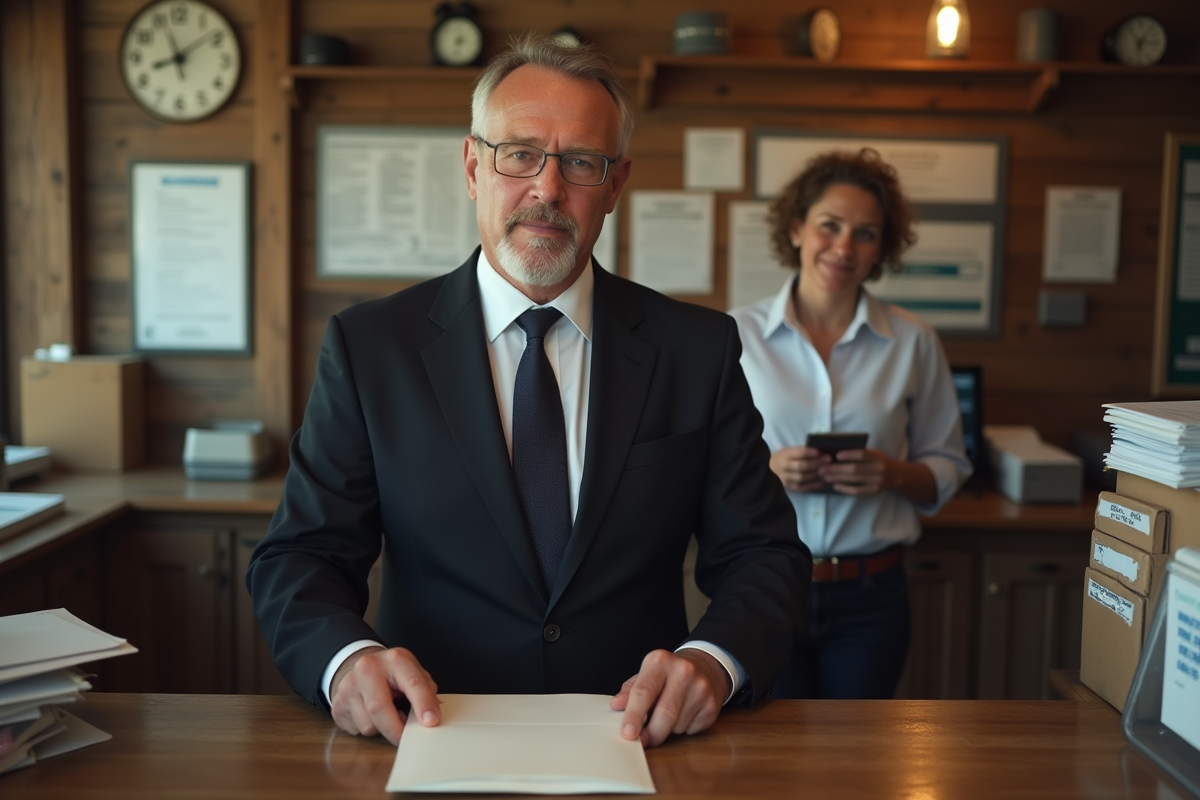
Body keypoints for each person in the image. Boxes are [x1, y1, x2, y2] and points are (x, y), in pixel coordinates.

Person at [246, 34, 809, 749]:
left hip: (637, 743)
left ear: (615, 183)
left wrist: (713, 663)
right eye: (519, 154)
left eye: (580, 161)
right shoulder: (369, 348)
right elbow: (302, 557)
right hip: (429, 735)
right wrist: (347, 660)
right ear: (473, 166)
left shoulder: (695, 348)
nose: (547, 188)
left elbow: (765, 556)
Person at [729, 148, 971, 699]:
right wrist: (766, 469)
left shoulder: (914, 342)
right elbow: (701, 466)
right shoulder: (733, 335)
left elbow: (949, 466)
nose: (843, 247)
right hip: (765, 585)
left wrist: (890, 473)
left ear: (882, 248)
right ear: (796, 228)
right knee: (774, 766)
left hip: (873, 594)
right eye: (829, 226)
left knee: (858, 768)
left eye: (865, 234)